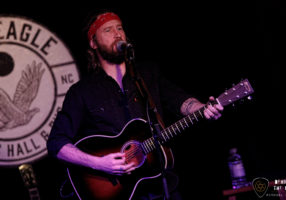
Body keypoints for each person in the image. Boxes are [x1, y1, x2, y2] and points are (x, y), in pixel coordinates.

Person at [47, 10, 224, 200]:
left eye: (120, 27)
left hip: (163, 187)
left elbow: (180, 100)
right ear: (93, 43)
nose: (117, 33)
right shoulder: (81, 91)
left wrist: (202, 108)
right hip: (119, 193)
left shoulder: (148, 74)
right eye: (107, 29)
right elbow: (56, 144)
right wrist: (98, 163)